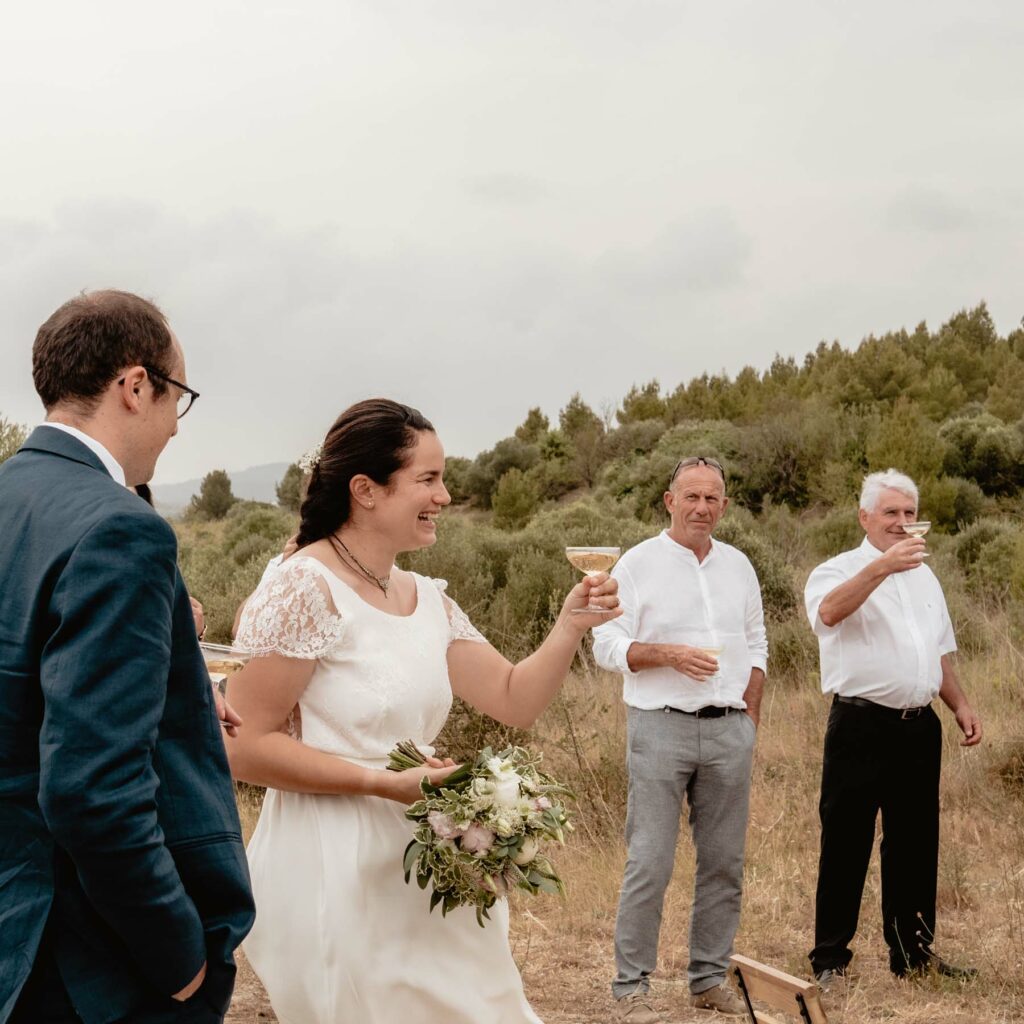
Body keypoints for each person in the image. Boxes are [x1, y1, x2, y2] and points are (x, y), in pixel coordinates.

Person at [224, 398, 620, 1024]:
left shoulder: (426, 597)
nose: (446, 495)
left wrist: (570, 626)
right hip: (337, 865)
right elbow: (241, 745)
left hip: (437, 864)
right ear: (366, 490)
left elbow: (513, 698)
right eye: (428, 479)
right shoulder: (303, 588)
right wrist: (384, 784)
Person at [0, 290, 255, 1024]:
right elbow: (90, 791)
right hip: (90, 963)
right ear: (135, 386)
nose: (176, 426)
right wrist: (178, 960)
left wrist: (171, 689)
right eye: (179, 397)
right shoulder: (120, 529)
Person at [592, 456, 767, 1022]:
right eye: (691, 497)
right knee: (651, 860)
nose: (702, 508)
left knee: (724, 862)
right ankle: (631, 988)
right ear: (669, 501)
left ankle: (709, 978)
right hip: (659, 727)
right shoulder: (637, 563)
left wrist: (749, 721)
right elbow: (606, 647)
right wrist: (665, 653)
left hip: (728, 730)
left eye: (712, 498)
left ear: (725, 504)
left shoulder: (739, 565)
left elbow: (758, 646)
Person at [805, 469, 981, 988]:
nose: (903, 523)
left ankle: (913, 955)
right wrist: (881, 567)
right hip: (860, 723)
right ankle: (831, 960)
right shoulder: (837, 569)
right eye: (891, 514)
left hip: (918, 727)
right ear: (865, 517)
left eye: (910, 514)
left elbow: (939, 650)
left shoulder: (926, 576)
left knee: (915, 842)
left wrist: (959, 703)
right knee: (846, 842)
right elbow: (828, 613)